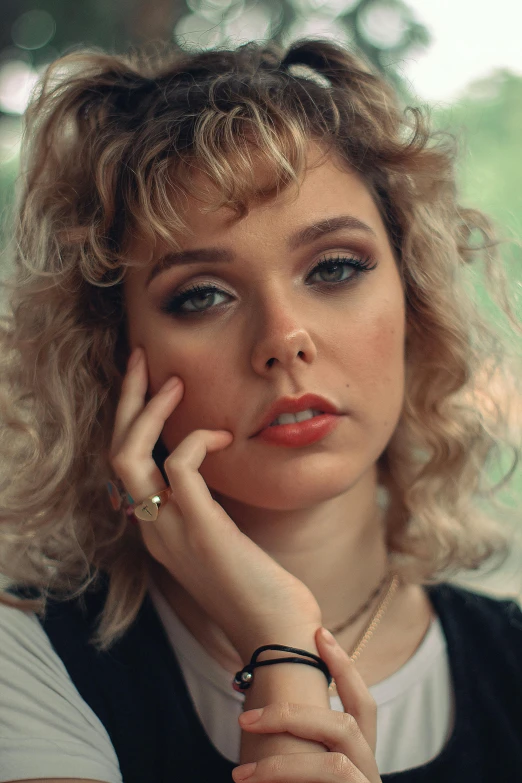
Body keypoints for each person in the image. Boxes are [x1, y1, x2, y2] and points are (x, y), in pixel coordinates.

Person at [0, 36, 521, 783]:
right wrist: (280, 645)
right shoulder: (25, 659)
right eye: (202, 294)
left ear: (415, 300)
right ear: (113, 354)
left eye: (335, 267)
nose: (283, 340)